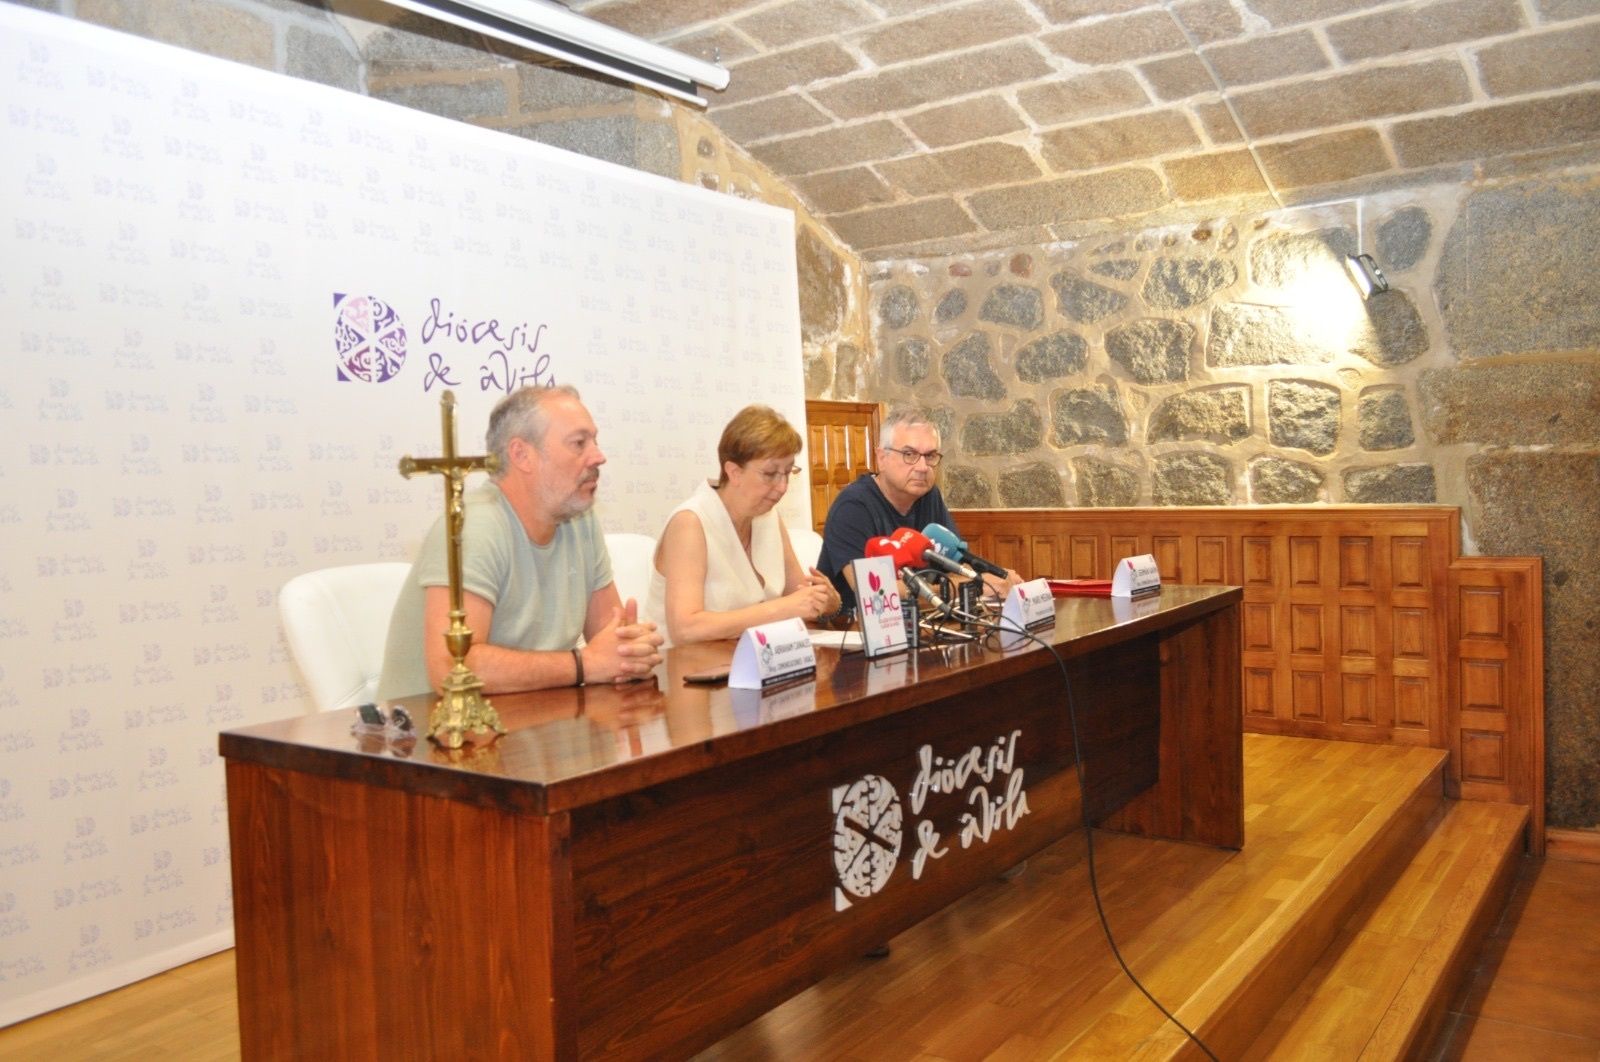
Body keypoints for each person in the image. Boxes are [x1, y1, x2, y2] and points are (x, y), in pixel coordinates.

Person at [376, 385, 663, 699]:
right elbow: (452, 667)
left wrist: (630, 649)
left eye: (595, 441)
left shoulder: (579, 518)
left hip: (529, 720)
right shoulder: (474, 527)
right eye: (579, 443)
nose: (598, 456)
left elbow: (611, 639)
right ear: (522, 455)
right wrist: (585, 664)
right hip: (431, 735)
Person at [644, 405, 840, 646]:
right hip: (682, 670)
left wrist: (827, 601)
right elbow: (685, 629)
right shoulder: (690, 522)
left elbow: (800, 597)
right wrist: (782, 609)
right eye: (770, 474)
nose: (782, 487)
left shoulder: (768, 517)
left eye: (788, 472)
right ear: (734, 472)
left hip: (750, 661)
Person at [818, 406, 1021, 613]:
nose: (923, 467)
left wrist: (990, 580)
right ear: (882, 458)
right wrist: (971, 587)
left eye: (930, 456)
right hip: (856, 634)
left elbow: (960, 568)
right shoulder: (853, 508)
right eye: (909, 454)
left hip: (922, 624)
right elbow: (877, 593)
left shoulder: (929, 496)